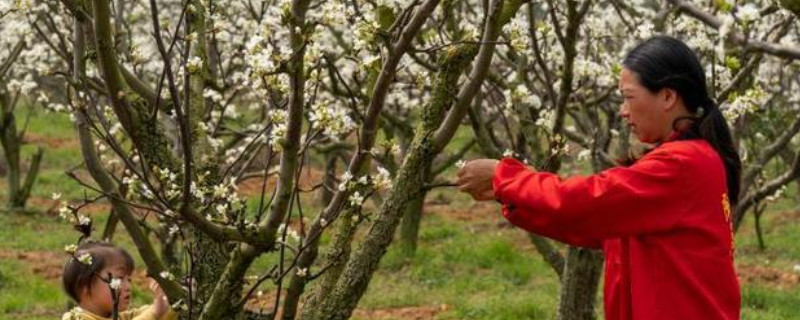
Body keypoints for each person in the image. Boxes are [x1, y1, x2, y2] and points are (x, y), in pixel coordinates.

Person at [456, 35, 741, 320]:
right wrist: (508, 193)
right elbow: (590, 222)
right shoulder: (692, 158)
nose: (623, 111)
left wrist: (505, 177)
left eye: (629, 97)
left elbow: (589, 200)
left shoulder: (681, 165)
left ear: (667, 96)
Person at [61, 241, 176, 320]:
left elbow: (152, 314)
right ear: (85, 286)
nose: (128, 287)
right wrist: (155, 312)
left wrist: (171, 303)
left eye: (129, 280)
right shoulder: (75, 318)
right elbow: (152, 314)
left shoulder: (121, 316)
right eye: (119, 278)